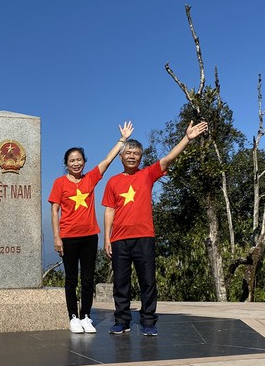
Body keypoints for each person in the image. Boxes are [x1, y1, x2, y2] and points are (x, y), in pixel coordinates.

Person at [102, 120, 208, 336]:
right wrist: (107, 239)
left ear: (141, 157)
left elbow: (169, 158)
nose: (132, 156)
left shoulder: (147, 174)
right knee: (121, 283)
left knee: (148, 281)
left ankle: (148, 321)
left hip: (144, 237)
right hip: (119, 239)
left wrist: (187, 138)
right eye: (128, 153)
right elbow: (109, 211)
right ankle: (122, 321)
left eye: (136, 153)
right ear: (121, 157)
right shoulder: (112, 182)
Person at [48, 122, 134, 334]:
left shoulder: (90, 178)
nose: (76, 163)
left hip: (90, 236)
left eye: (79, 160)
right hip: (68, 237)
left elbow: (107, 160)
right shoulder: (59, 183)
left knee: (88, 279)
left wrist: (122, 140)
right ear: (66, 164)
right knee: (71, 279)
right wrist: (57, 237)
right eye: (72, 160)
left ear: (84, 162)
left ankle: (86, 316)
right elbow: (54, 210)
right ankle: (72, 317)